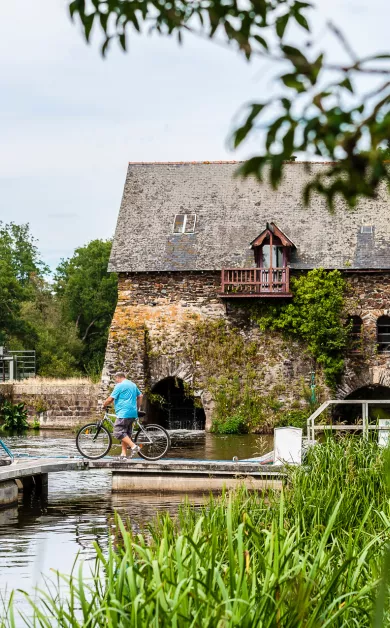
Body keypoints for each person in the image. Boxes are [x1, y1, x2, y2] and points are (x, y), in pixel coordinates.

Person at [102, 372, 143, 459]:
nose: (116, 381)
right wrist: (137, 408)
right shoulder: (132, 384)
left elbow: (110, 399)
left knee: (117, 432)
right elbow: (140, 396)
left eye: (115, 379)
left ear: (118, 377)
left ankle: (133, 446)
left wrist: (104, 405)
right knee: (125, 434)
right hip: (132, 413)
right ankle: (123, 455)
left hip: (124, 413)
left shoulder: (120, 385)